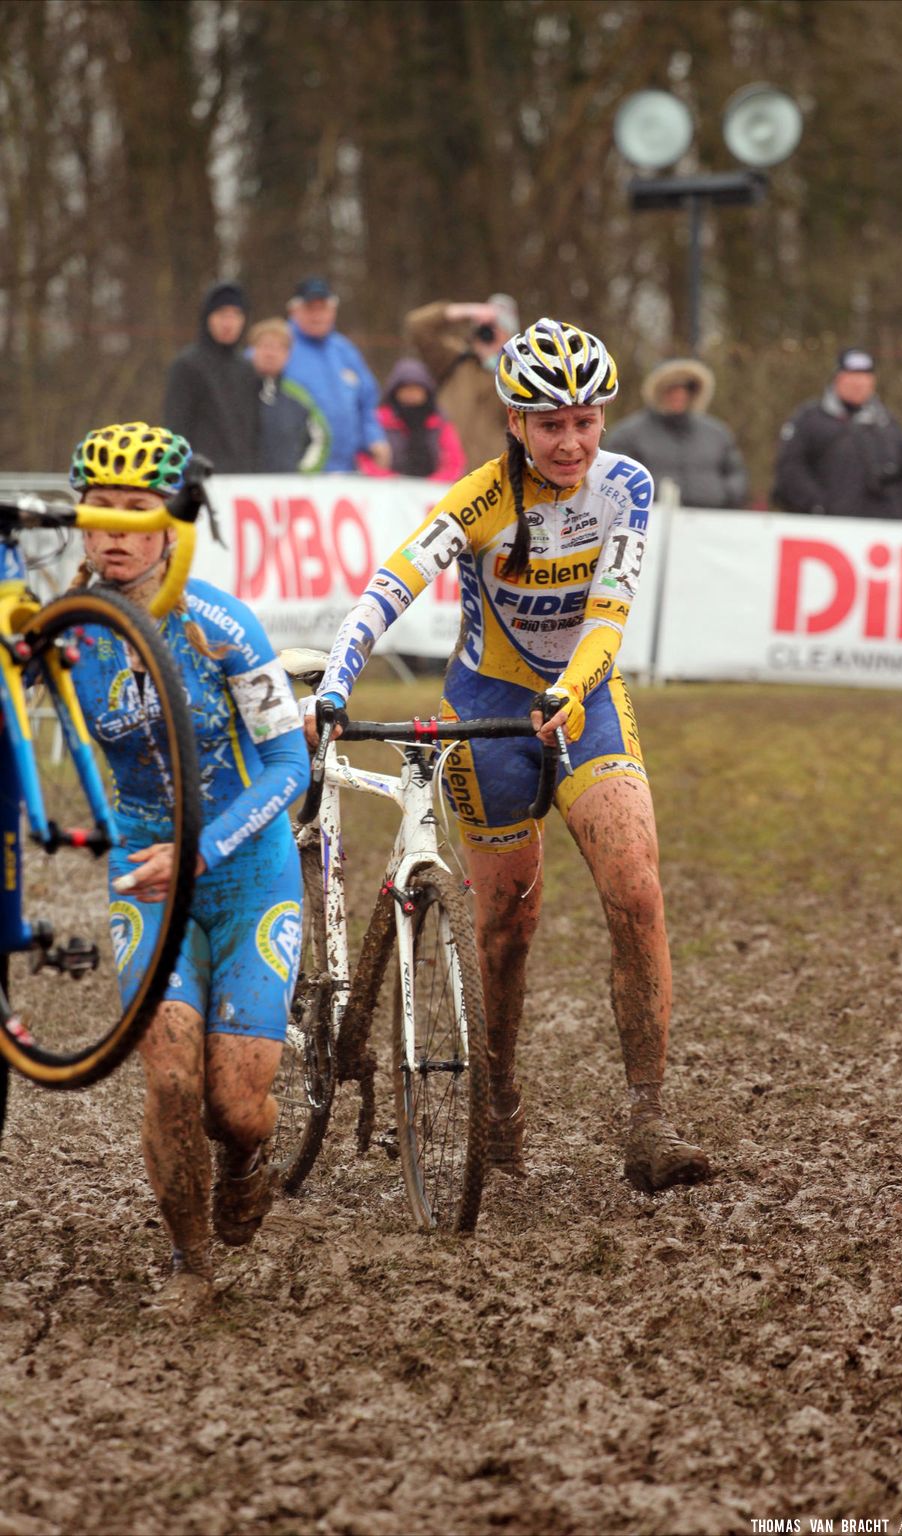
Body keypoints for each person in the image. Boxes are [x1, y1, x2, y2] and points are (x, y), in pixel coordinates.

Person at [310, 319, 711, 1195]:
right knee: (505, 928)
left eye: (586, 421)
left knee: (636, 890)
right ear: (515, 423)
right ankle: (498, 1103)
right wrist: (337, 683)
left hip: (586, 700)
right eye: (550, 424)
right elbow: (389, 588)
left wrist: (569, 692)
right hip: (486, 706)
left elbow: (609, 615)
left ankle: (649, 1119)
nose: (571, 442)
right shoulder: (480, 499)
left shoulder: (627, 488)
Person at [67, 421, 308, 1319]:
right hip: (145, 878)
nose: (118, 532)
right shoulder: (69, 634)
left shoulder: (221, 624)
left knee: (234, 1107)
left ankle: (251, 1154)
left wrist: (201, 849)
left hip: (246, 872)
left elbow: (291, 769)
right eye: (101, 514)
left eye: (140, 513)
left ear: (175, 523)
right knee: (169, 1077)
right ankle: (189, 1262)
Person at [773, 347, 902, 519]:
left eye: (864, 378)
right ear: (838, 379)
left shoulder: (887, 423)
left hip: (881, 529)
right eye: (852, 377)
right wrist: (817, 506)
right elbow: (791, 469)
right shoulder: (810, 419)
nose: (858, 384)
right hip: (827, 528)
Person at [606, 358, 748, 508]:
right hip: (650, 518)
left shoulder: (717, 433)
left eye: (685, 390)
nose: (679, 395)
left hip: (710, 519)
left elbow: (736, 473)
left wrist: (726, 495)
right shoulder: (629, 433)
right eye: (672, 390)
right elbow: (616, 477)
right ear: (658, 392)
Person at [283, 276, 390, 473]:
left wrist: (374, 438)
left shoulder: (345, 351)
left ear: (333, 311)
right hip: (297, 471)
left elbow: (367, 402)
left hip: (347, 472)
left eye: (322, 308)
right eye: (310, 308)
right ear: (294, 311)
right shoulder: (279, 346)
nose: (317, 315)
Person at [405, 292, 519, 467]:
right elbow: (417, 326)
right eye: (486, 327)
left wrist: (501, 362)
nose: (489, 333)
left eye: (498, 328)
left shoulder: (517, 374)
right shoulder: (455, 359)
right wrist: (468, 311)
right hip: (442, 472)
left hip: (489, 478)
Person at [164, 281, 260, 472]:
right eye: (222, 315)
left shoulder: (247, 368)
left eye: (236, 315)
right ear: (208, 317)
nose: (229, 323)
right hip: (201, 477)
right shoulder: (187, 365)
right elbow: (176, 426)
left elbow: (253, 429)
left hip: (243, 478)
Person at [355, 357, 466, 481]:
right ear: (395, 391)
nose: (411, 393)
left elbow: (455, 462)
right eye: (406, 388)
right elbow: (363, 458)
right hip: (385, 491)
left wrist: (434, 483)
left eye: (416, 389)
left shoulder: (439, 423)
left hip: (432, 494)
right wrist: (391, 481)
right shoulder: (378, 420)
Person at [249, 317, 329, 473]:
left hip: (285, 488)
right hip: (239, 487)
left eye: (278, 348)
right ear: (253, 350)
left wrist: (303, 474)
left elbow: (321, 438)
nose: (270, 354)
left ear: (288, 355)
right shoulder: (237, 390)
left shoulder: (298, 395)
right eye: (265, 346)